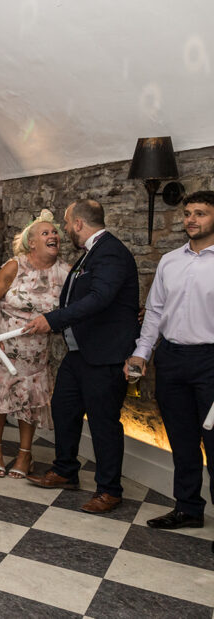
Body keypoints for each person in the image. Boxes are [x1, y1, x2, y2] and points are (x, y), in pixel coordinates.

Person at [24, 200, 140, 514]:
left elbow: (100, 298)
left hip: (104, 354)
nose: (63, 229)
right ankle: (65, 470)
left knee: (103, 423)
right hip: (80, 354)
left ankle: (109, 490)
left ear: (78, 223)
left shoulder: (110, 251)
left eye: (65, 222)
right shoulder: (90, 252)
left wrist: (54, 319)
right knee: (64, 409)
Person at [124, 191, 214, 532]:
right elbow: (156, 311)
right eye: (188, 213)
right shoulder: (170, 261)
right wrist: (141, 352)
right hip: (172, 358)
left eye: (201, 213)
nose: (191, 219)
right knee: (182, 439)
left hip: (211, 361)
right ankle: (188, 508)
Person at [0, 210, 70, 477]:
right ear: (32, 242)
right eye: (45, 233)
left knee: (30, 401)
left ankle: (26, 455)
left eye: (55, 232)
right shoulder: (15, 265)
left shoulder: (66, 272)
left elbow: (72, 310)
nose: (53, 236)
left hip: (35, 349)